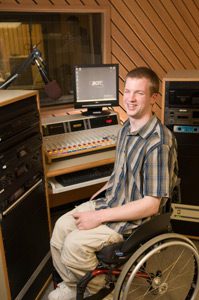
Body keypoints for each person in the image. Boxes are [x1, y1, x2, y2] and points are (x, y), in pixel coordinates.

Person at [48, 67, 178, 300]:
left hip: (133, 219)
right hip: (112, 202)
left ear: (153, 98)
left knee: (74, 246)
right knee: (60, 229)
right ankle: (72, 285)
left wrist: (97, 217)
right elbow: (124, 172)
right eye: (127, 91)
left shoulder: (158, 144)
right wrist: (104, 190)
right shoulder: (126, 127)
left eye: (139, 93)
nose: (130, 98)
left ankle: (100, 291)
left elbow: (151, 205)